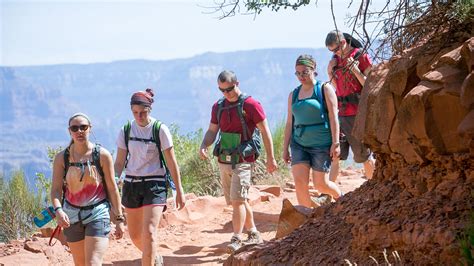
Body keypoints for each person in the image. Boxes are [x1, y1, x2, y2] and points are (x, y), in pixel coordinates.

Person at [199, 70, 278, 253]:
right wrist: (204, 144)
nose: (226, 94)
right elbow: (212, 131)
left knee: (237, 201)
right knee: (237, 201)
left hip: (244, 159)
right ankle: (253, 232)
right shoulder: (218, 107)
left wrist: (271, 158)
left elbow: (265, 131)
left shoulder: (251, 104)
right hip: (224, 159)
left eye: (229, 89)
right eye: (222, 90)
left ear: (237, 83)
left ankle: (237, 238)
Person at [114, 88, 185, 266]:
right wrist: (112, 183)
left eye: (143, 112)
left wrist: (179, 190)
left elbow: (171, 162)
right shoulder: (126, 130)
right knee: (135, 235)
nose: (139, 116)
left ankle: (150, 260)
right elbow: (119, 162)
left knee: (150, 232)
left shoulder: (160, 130)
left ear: (150, 110)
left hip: (155, 184)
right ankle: (154, 257)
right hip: (131, 184)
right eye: (135, 113)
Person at [51, 113, 125, 266]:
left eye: (83, 127)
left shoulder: (102, 155)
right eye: (75, 128)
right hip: (71, 216)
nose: (79, 131)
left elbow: (112, 189)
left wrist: (118, 219)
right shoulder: (61, 158)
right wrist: (58, 210)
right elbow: (56, 190)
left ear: (90, 129)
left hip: (98, 213)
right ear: (69, 131)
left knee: (93, 263)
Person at [282, 55, 343, 208]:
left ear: (313, 70)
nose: (301, 76)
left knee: (321, 185)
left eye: (305, 72)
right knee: (300, 183)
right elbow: (289, 122)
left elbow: (333, 116)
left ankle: (341, 199)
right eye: (298, 73)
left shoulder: (324, 89)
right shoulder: (293, 94)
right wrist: (285, 148)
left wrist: (336, 143)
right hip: (299, 144)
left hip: (321, 144)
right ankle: (306, 218)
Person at [326, 30, 375, 182]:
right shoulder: (336, 59)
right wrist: (330, 71)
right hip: (341, 113)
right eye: (331, 51)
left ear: (343, 43)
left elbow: (371, 83)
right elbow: (336, 85)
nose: (335, 53)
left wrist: (356, 70)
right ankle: (328, 194)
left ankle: (373, 184)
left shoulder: (360, 56)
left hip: (358, 113)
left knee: (363, 155)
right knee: (335, 154)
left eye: (335, 49)